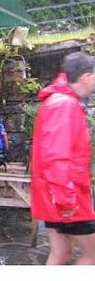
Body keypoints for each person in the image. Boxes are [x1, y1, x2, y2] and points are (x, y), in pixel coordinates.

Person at [31, 51, 95, 265]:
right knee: (92, 256)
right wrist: (67, 199)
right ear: (85, 76)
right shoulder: (64, 104)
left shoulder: (59, 101)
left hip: (57, 193)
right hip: (68, 195)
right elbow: (56, 156)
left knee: (61, 252)